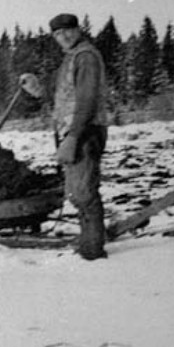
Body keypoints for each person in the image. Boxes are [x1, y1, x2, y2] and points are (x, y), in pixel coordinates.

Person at [49, 13, 109, 260]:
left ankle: (93, 250)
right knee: (77, 190)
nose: (64, 36)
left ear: (78, 30)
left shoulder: (85, 56)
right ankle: (89, 242)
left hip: (85, 131)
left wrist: (73, 137)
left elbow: (86, 100)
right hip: (74, 131)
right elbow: (67, 98)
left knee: (83, 191)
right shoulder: (72, 58)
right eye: (58, 33)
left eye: (68, 31)